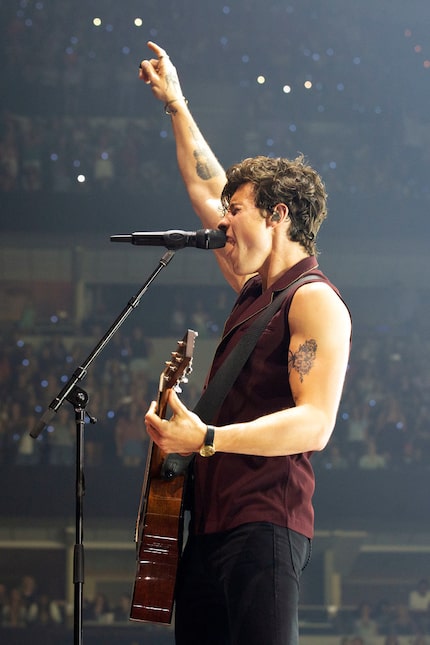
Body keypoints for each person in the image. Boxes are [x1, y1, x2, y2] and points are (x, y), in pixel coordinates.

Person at [139, 41, 352, 645]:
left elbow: (315, 423)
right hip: (209, 525)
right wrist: (177, 105)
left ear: (277, 215)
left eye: (237, 211)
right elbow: (207, 189)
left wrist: (204, 438)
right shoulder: (255, 285)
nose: (222, 222)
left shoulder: (312, 298)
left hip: (265, 524)